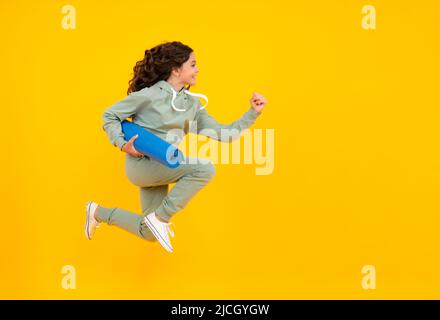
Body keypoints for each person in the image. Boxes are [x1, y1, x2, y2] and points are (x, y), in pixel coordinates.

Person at [85, 41, 267, 253]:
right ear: (176, 69)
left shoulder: (192, 105)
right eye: (193, 64)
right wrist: (122, 143)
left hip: (164, 164)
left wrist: (252, 113)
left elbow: (225, 135)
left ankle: (97, 213)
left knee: (149, 233)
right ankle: (160, 217)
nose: (198, 69)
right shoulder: (149, 95)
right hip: (142, 166)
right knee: (204, 168)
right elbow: (110, 115)